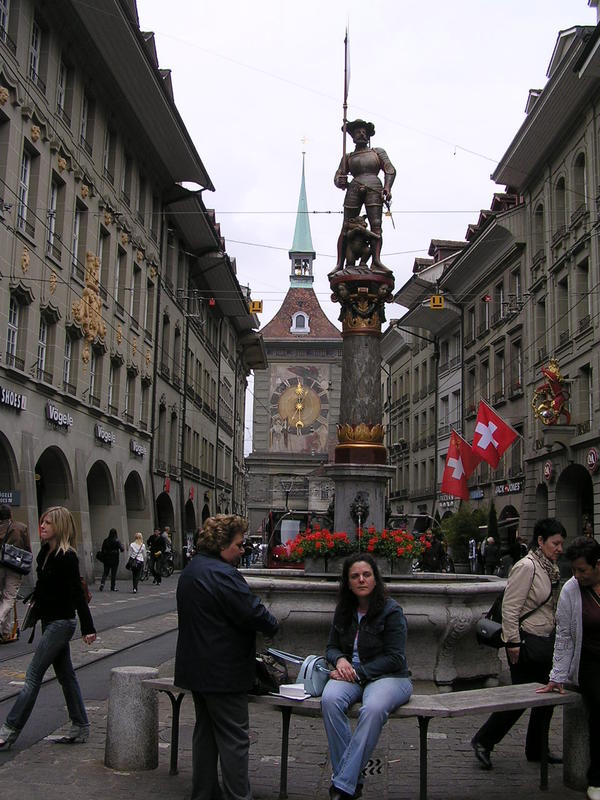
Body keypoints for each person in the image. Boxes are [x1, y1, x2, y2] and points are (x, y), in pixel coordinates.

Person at [174, 515, 278, 800]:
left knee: (205, 734)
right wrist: (273, 625)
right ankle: (238, 797)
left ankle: (204, 793)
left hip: (195, 669)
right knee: (234, 739)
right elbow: (254, 613)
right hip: (224, 672)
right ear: (222, 544)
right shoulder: (224, 574)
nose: (242, 550)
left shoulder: (192, 570)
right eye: (239, 545)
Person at [471, 517, 566, 770]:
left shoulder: (549, 567)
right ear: (541, 541)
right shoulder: (528, 567)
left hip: (544, 640)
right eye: (555, 543)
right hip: (524, 642)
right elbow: (510, 609)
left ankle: (537, 748)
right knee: (520, 698)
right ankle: (483, 741)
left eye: (561, 544)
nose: (560, 549)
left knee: (547, 696)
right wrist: (512, 643)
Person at [0, 506, 96, 750]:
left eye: (48, 523)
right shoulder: (45, 553)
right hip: (50, 621)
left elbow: (76, 593)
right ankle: (80, 725)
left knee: (32, 676)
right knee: (66, 676)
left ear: (60, 527)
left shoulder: (67, 556)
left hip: (62, 622)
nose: (42, 526)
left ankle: (9, 731)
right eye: (42, 522)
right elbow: (46, 587)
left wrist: (88, 628)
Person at [321, 553, 412, 800]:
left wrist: (357, 671)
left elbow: (395, 657)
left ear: (375, 578)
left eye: (366, 574)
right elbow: (331, 647)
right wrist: (340, 659)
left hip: (390, 677)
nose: (361, 579)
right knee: (329, 700)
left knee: (372, 709)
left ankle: (342, 785)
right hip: (351, 675)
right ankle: (352, 780)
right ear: (348, 583)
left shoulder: (391, 611)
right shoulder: (344, 609)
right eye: (355, 576)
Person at [536, 536, 600, 800]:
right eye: (573, 570)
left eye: (582, 570)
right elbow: (563, 636)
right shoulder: (572, 591)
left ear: (598, 565)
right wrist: (557, 675)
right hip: (590, 662)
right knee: (599, 707)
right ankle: (596, 779)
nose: (577, 575)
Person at [331, 119, 396, 275]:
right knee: (346, 225)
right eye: (357, 131)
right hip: (354, 187)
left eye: (364, 131)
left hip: (373, 185)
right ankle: (340, 264)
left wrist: (387, 187)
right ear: (352, 136)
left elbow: (390, 170)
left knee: (376, 224)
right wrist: (340, 181)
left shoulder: (377, 152)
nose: (361, 133)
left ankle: (376, 261)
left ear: (368, 135)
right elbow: (338, 176)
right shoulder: (347, 157)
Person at [0, 504, 31, 643]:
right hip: (14, 567)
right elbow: (27, 548)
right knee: (9, 597)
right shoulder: (19, 527)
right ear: (10, 514)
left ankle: (5, 632)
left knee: (2, 598)